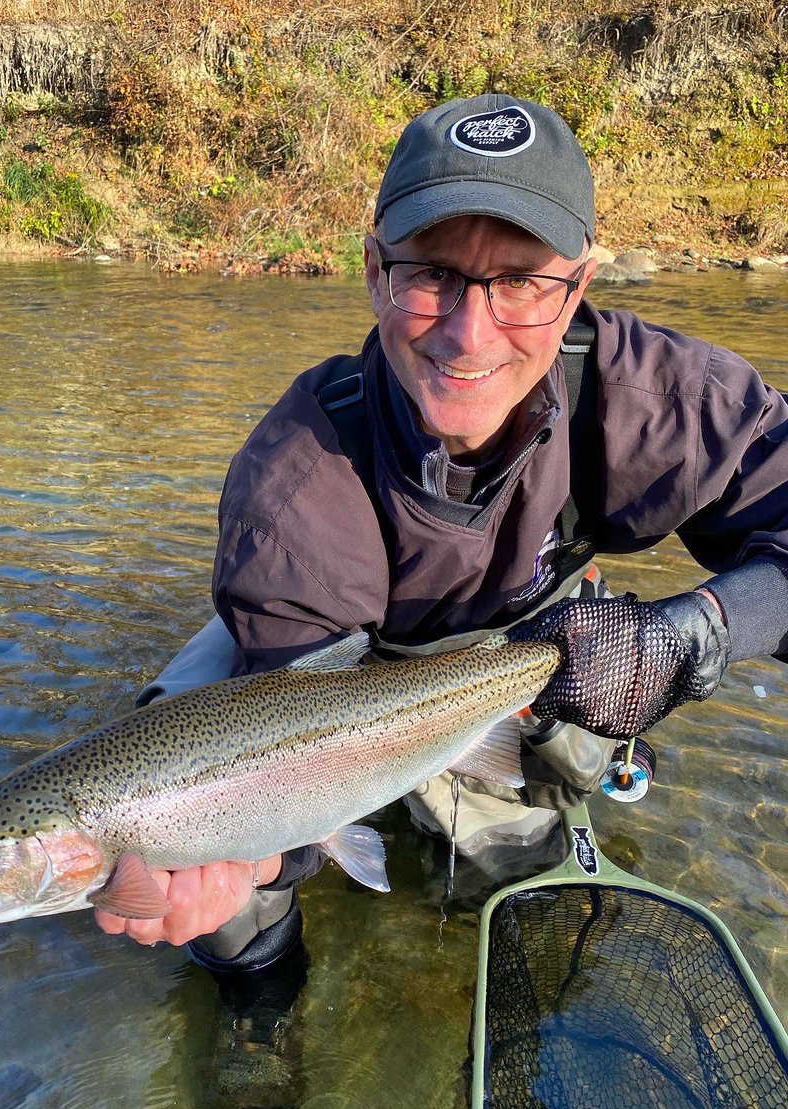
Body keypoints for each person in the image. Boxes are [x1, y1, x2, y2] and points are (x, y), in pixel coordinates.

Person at [96, 93, 788, 981]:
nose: (469, 334)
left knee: (511, 866)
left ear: (577, 286)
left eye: (525, 283)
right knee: (201, 863)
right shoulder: (297, 478)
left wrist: (693, 636)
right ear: (375, 270)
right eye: (431, 274)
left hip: (519, 648)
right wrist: (267, 852)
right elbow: (290, 727)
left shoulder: (649, 398)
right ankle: (259, 1011)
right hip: (307, 676)